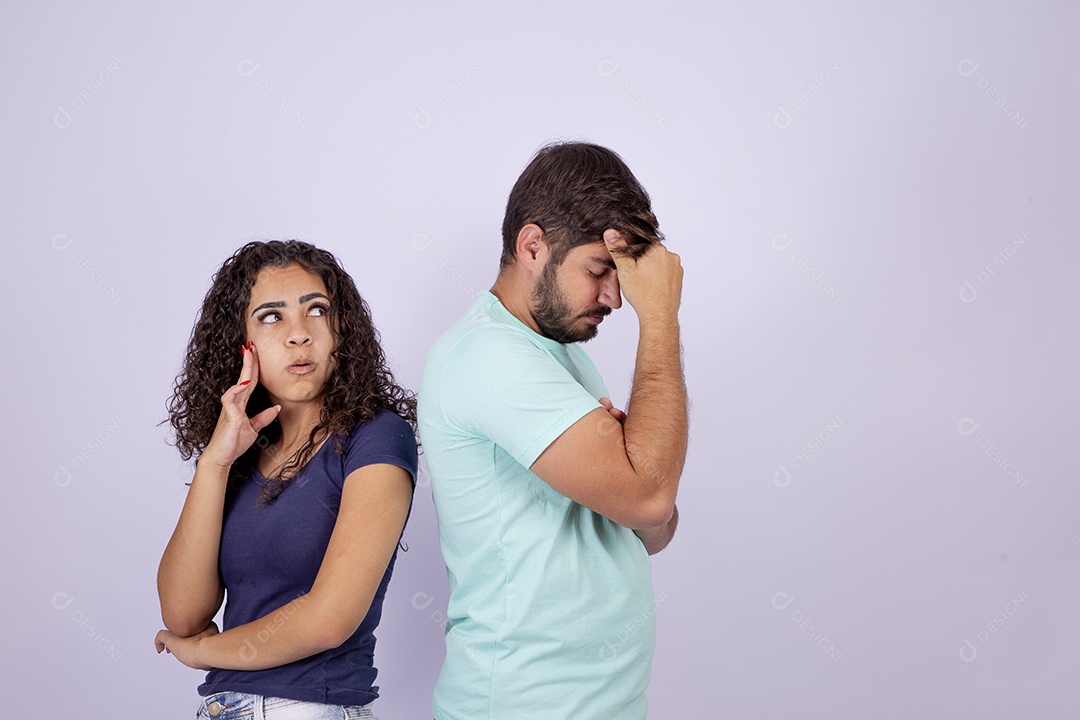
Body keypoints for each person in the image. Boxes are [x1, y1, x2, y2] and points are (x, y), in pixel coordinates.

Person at [418, 141, 688, 719]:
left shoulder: (560, 353)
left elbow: (653, 526)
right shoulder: (486, 354)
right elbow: (650, 497)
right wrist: (661, 316)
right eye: (599, 271)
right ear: (532, 245)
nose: (616, 298)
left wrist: (640, 486)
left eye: (623, 277)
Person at [155, 240, 418, 720]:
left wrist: (201, 653)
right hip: (222, 709)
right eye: (271, 317)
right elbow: (183, 615)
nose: (299, 335)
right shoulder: (241, 453)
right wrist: (214, 462)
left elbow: (329, 620)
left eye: (316, 310)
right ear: (241, 341)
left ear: (342, 328)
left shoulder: (376, 438)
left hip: (310, 708)